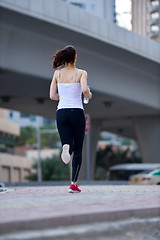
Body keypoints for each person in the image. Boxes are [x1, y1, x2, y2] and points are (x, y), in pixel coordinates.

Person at [49, 45, 92, 193]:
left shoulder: (57, 74)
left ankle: (66, 147)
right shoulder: (81, 73)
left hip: (61, 112)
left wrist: (64, 96)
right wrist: (88, 95)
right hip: (76, 112)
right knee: (78, 149)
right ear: (75, 57)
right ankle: (73, 184)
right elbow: (85, 89)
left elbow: (52, 96)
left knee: (68, 144)